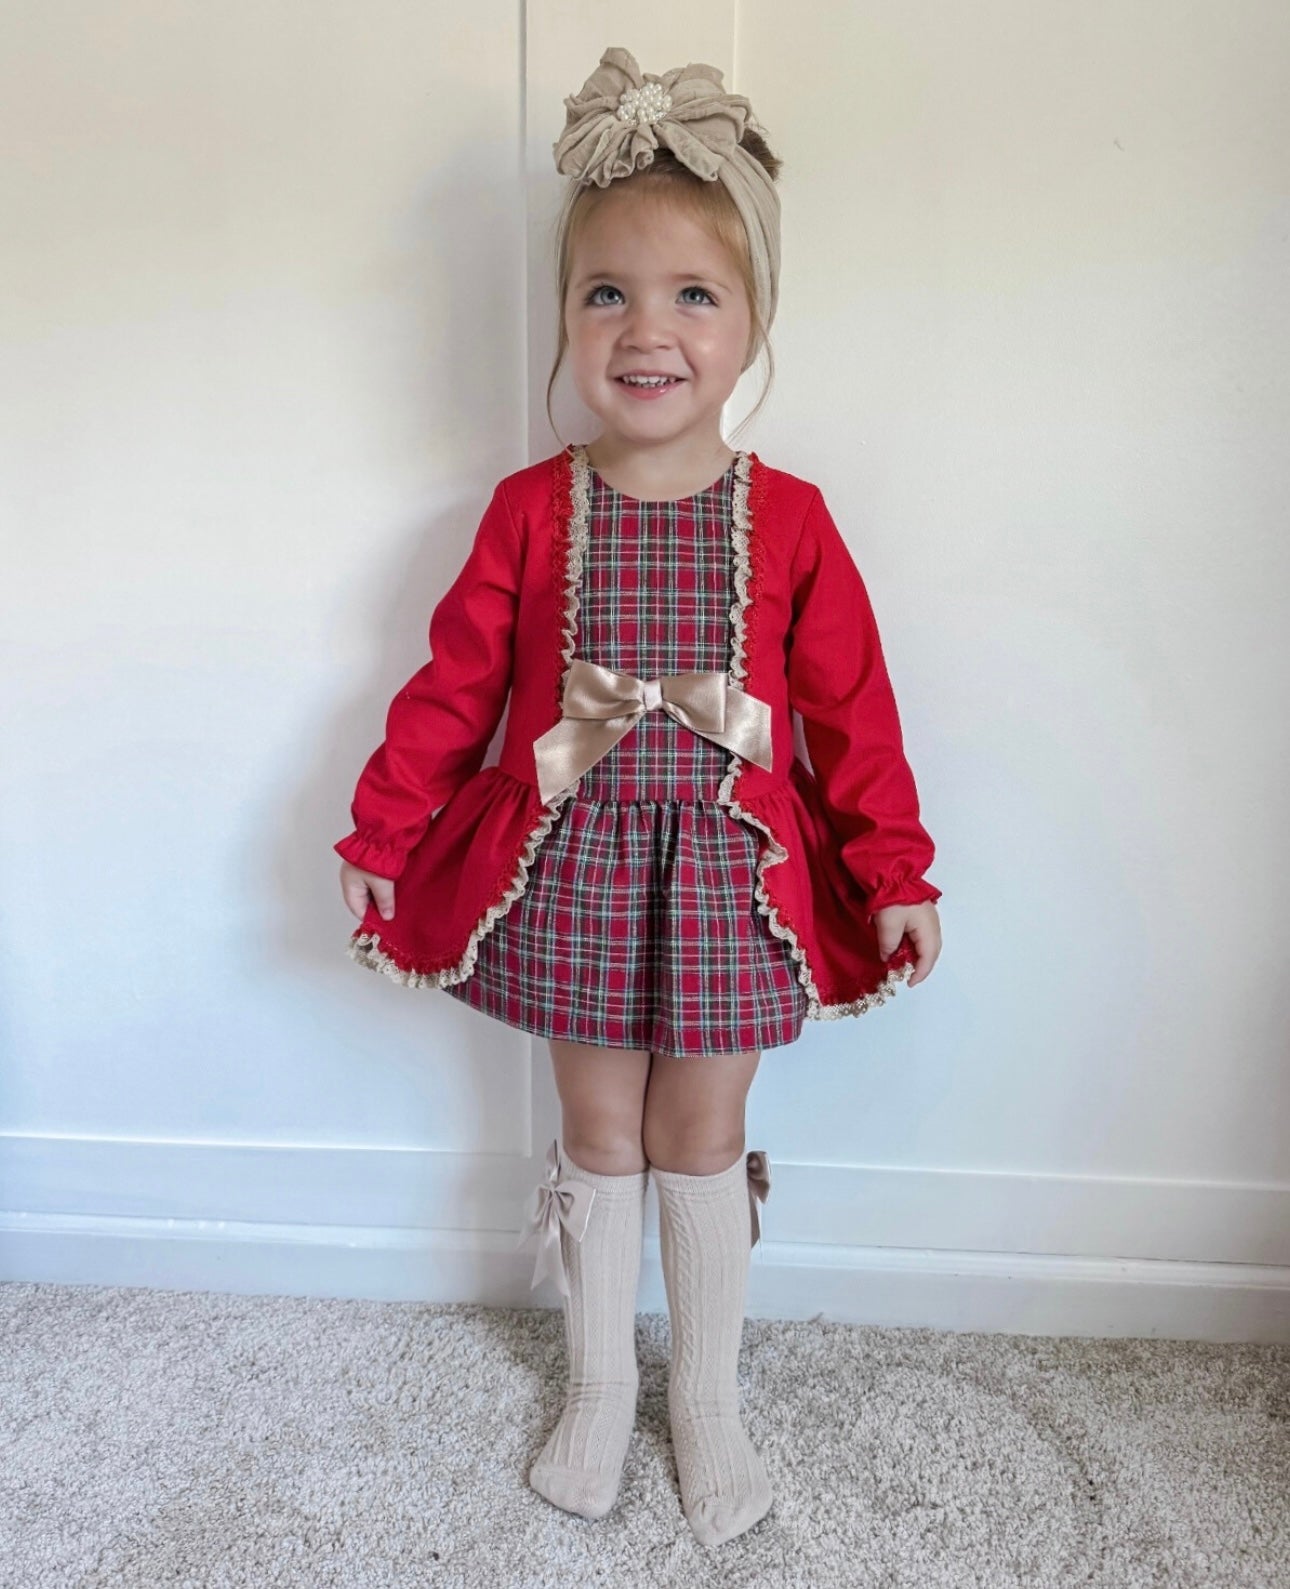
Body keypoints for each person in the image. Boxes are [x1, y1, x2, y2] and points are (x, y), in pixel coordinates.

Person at [334, 45, 943, 1548]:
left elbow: (853, 718)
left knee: (699, 1127)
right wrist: (382, 828)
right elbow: (451, 688)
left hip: (729, 876)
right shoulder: (530, 509)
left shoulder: (791, 523)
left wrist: (896, 865)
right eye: (606, 292)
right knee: (599, 1124)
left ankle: (707, 1398)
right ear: (563, 317)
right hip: (577, 863)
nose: (645, 328)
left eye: (692, 295)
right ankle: (600, 1377)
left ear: (748, 328)